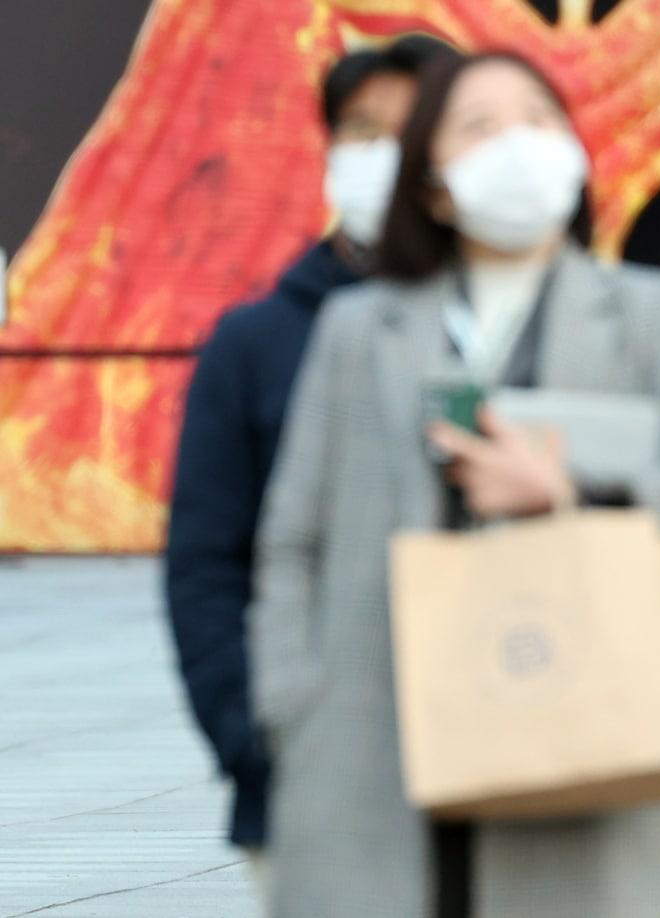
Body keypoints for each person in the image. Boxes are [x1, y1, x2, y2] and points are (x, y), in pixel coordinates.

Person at [250, 49, 660, 917]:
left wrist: (576, 488)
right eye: (479, 127)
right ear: (433, 184)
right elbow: (292, 537)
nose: (516, 144)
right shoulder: (355, 327)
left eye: (537, 118)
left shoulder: (643, 309)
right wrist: (293, 703)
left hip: (576, 732)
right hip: (372, 749)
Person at [163, 34, 447, 886]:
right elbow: (206, 564)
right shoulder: (257, 343)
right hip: (317, 780)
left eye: (408, 132)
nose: (381, 156)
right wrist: (252, 737)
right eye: (360, 130)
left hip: (507, 771)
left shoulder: (511, 319)